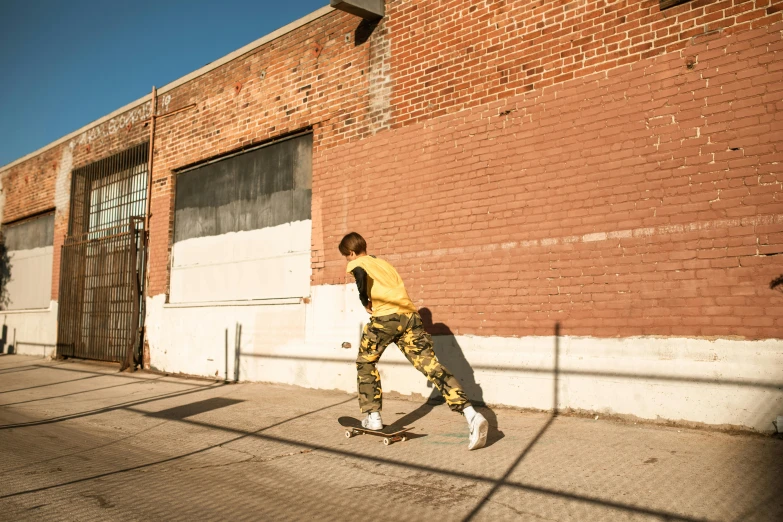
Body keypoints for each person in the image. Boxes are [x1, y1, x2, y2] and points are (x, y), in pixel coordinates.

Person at [339, 232, 489, 450]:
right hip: (410, 318)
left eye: (347, 257)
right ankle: (471, 414)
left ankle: (373, 417)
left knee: (365, 361)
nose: (349, 261)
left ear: (351, 252)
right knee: (431, 366)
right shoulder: (383, 263)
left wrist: (365, 300)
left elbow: (360, 274)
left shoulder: (358, 262)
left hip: (386, 318)